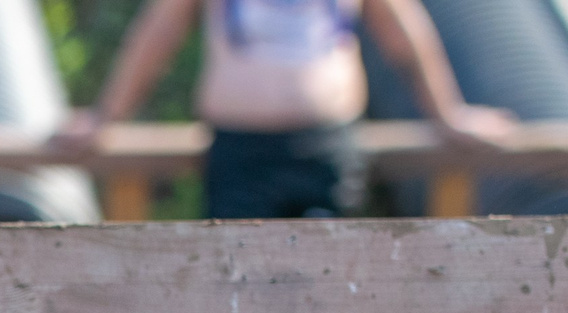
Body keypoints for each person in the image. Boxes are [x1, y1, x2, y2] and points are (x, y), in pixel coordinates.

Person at [57, 0, 512, 219]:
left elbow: (401, 28)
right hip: (240, 151)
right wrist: (104, 119)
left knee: (329, 296)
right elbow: (158, 34)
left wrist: (448, 113)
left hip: (326, 149)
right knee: (233, 295)